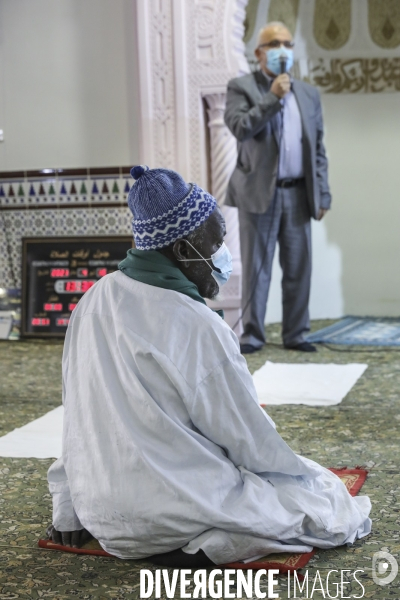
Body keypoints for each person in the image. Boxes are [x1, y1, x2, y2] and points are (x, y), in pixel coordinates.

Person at [46, 166, 370, 567]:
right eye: (216, 241)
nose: (223, 253)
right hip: (173, 511)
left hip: (102, 512)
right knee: (322, 501)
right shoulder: (197, 326)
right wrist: (299, 476)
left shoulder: (92, 300)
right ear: (183, 251)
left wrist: (66, 502)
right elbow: (250, 441)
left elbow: (75, 419)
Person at [224, 21, 331, 354]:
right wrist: (272, 97)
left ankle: (296, 333)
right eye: (274, 44)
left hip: (299, 193)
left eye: (287, 43)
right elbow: (241, 127)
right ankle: (253, 335)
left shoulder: (309, 94)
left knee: (299, 267)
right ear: (259, 53)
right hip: (258, 194)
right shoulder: (242, 87)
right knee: (257, 268)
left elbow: (318, 149)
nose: (282, 49)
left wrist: (323, 192)